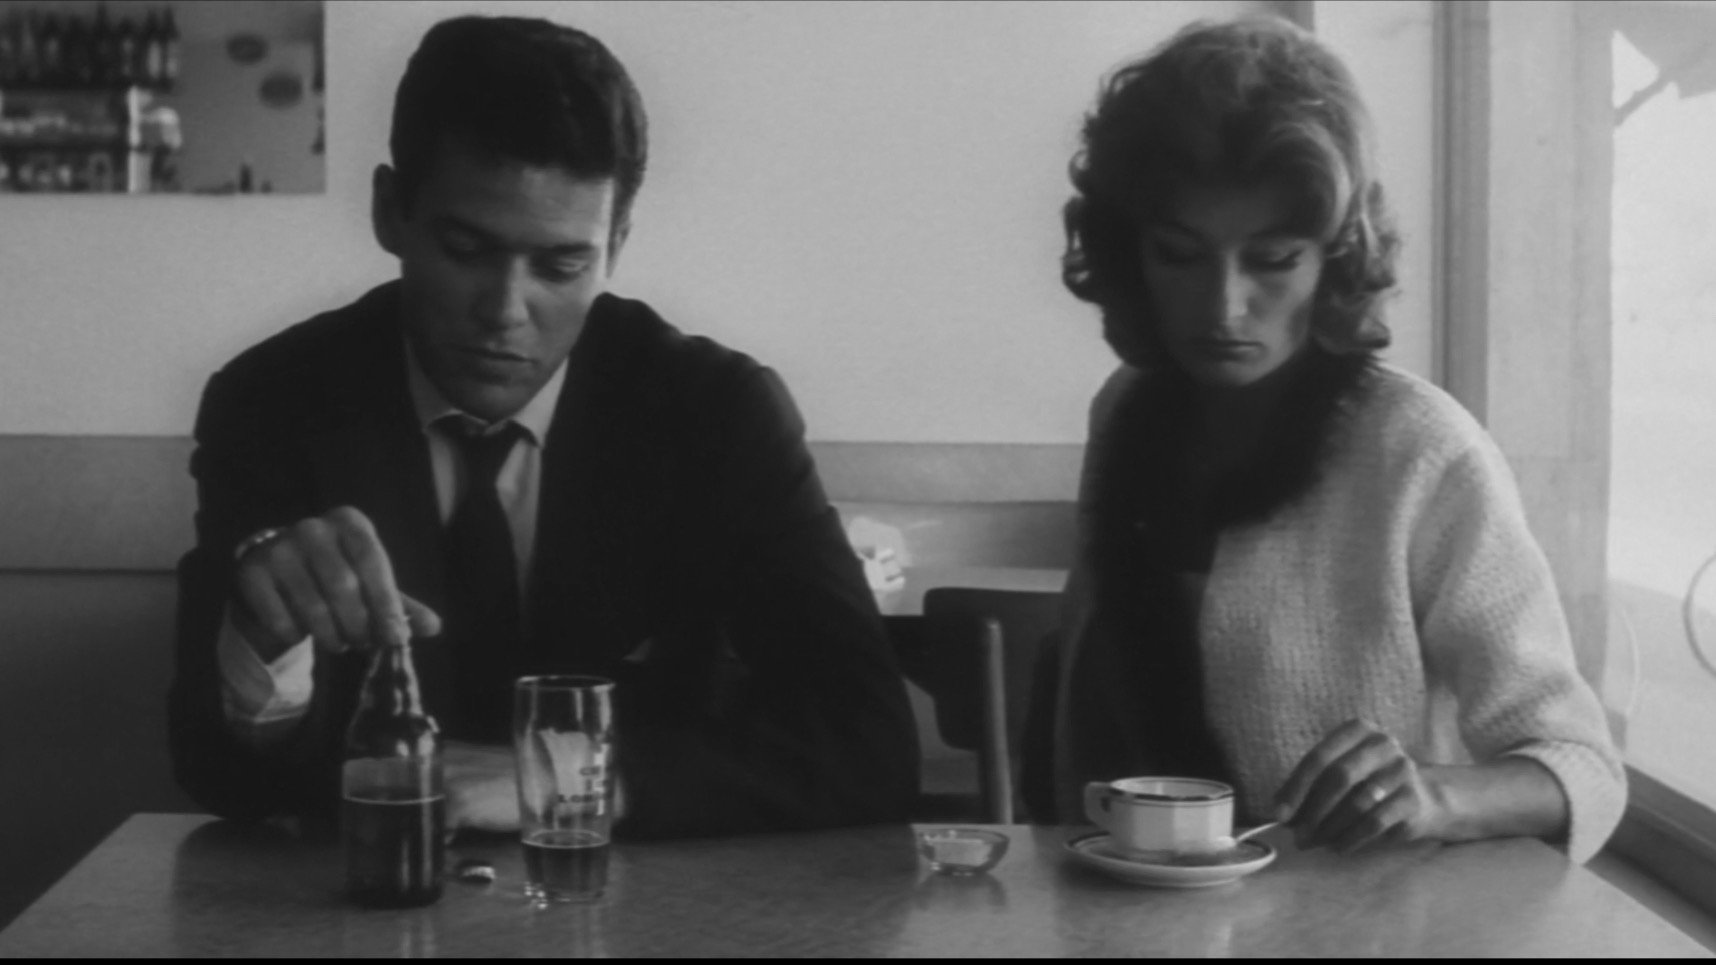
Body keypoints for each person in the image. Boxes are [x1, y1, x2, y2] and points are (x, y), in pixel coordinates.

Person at [167, 15, 919, 841]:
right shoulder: (274, 401)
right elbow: (217, 774)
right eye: (466, 249)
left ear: (615, 247)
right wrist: (265, 646)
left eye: (561, 265)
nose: (505, 311)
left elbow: (868, 746)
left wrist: (564, 778)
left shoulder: (716, 411)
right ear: (389, 212)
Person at [1039, 16, 1625, 862]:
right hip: (1123, 903)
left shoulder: (1421, 451)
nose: (1224, 306)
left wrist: (1432, 795)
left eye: (1273, 259)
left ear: (1335, 260)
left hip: (1358, 921)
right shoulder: (1124, 411)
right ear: (1130, 254)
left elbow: (1584, 767)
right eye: (1180, 254)